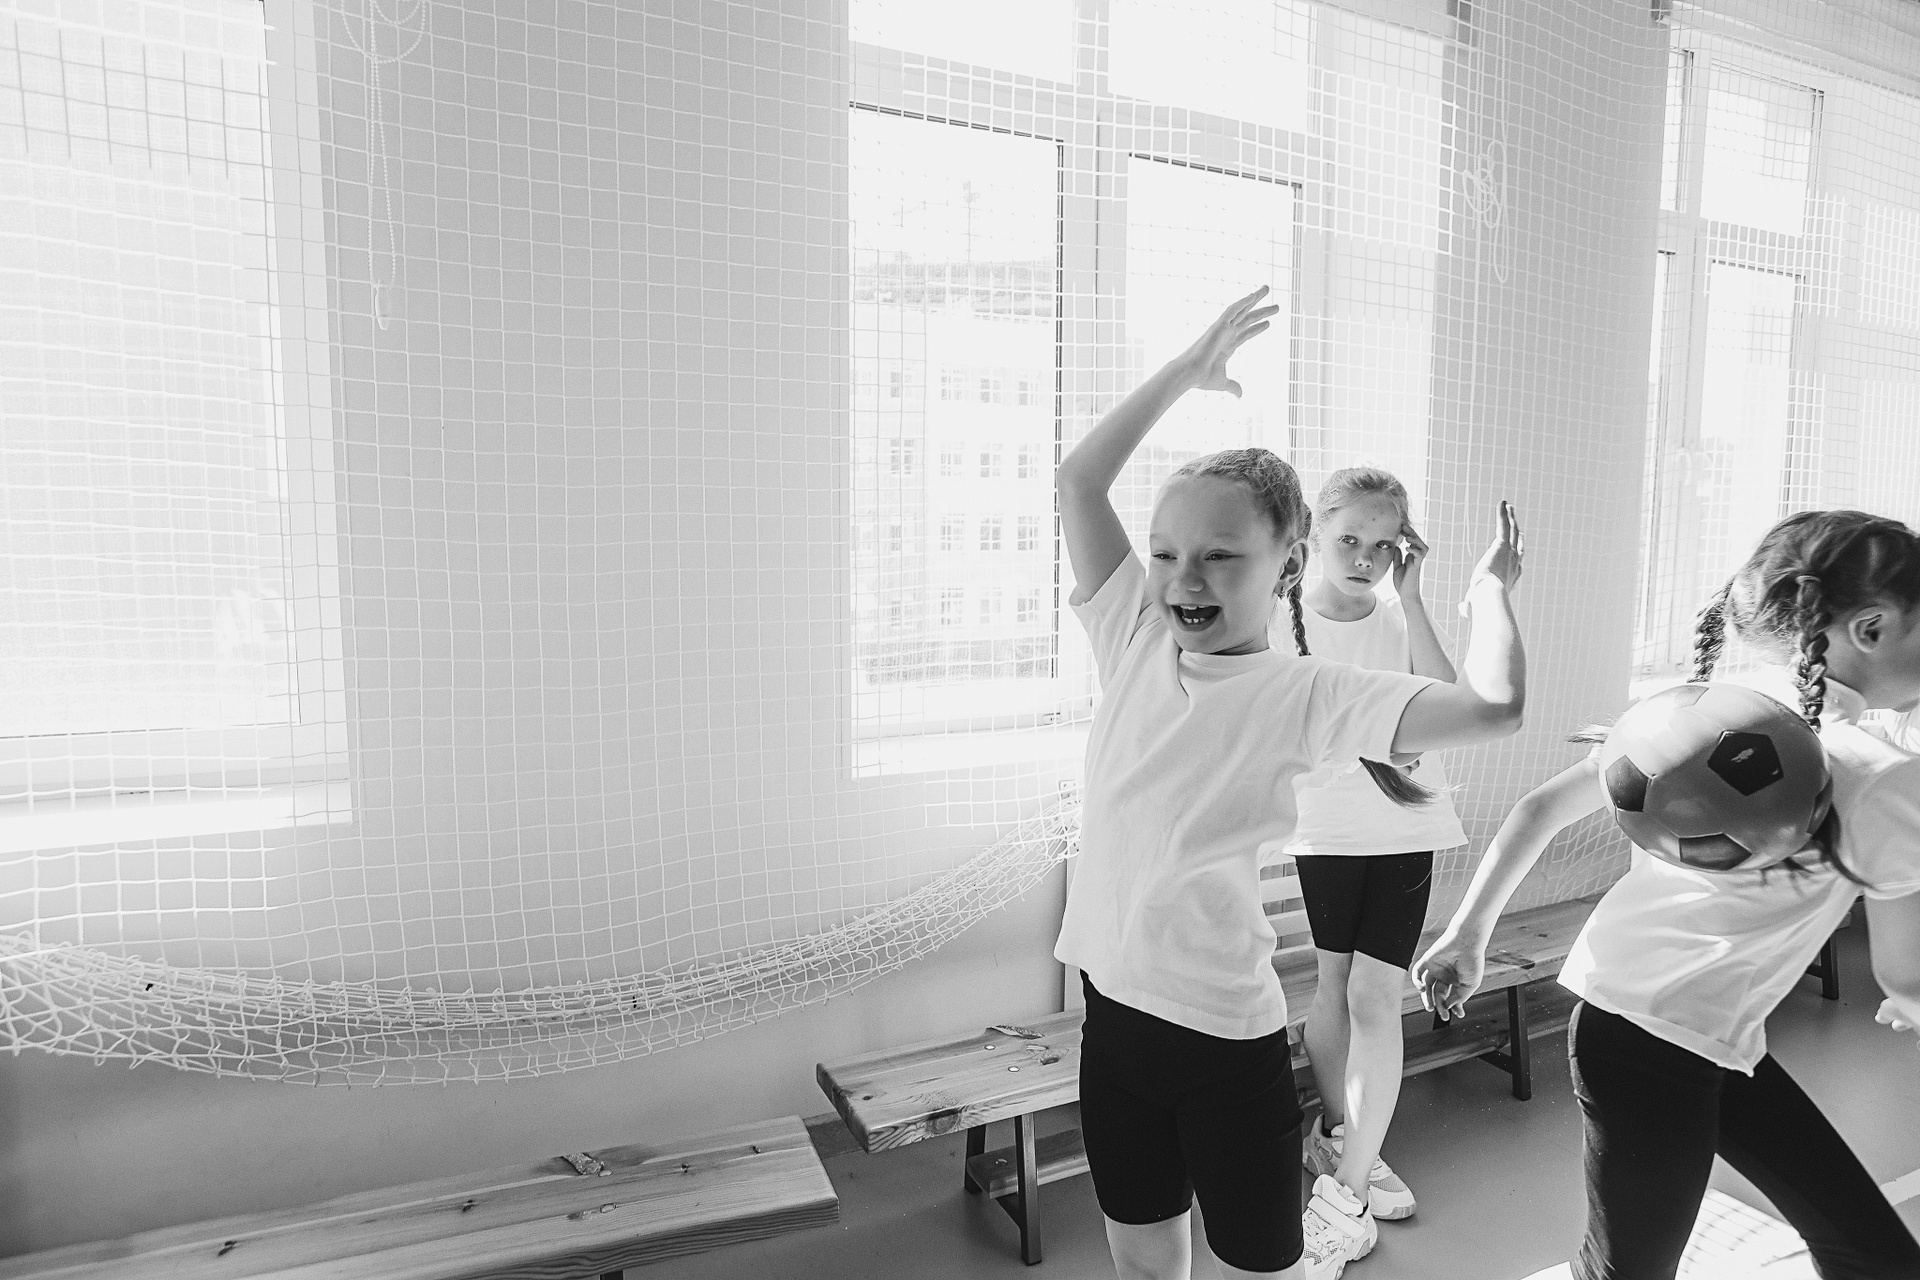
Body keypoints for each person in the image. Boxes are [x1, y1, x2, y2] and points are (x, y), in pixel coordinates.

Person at [1055, 284, 1527, 1280]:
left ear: (1286, 561)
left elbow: (1493, 708)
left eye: (1221, 556)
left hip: (1226, 1045)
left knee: (1259, 1268)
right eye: (1168, 552)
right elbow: (1079, 477)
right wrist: (1186, 371)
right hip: (1114, 1027)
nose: (1184, 577)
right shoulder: (1134, 635)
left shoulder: (1307, 691)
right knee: (1141, 1258)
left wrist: (1486, 592)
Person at [1413, 509, 1920, 1280]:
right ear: (1872, 628)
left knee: (1874, 1256)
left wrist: (1467, 934)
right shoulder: (1878, 777)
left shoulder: (1693, 710)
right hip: (1652, 1042)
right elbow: (1905, 974)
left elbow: (1540, 807)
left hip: (1682, 1029)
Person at [1281, 467, 1468, 1224]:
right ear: (1315, 535)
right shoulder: (1283, 619)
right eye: (1349, 539)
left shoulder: (1400, 617)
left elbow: (1451, 705)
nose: (1365, 557)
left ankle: (1354, 1172)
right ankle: (1338, 1133)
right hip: (1328, 830)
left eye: (1383, 545)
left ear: (1403, 549)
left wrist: (1414, 598)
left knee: (1376, 992)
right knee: (1336, 984)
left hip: (1408, 827)